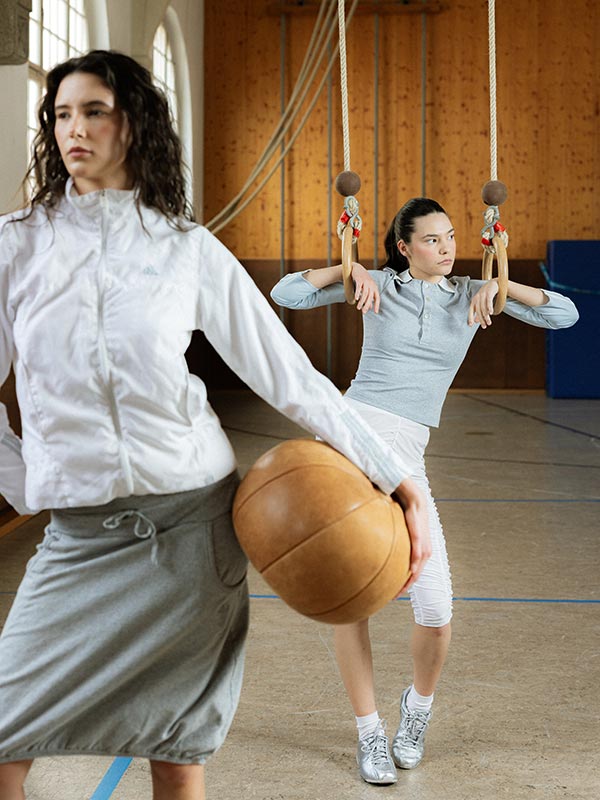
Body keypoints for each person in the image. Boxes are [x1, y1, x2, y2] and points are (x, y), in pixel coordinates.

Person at [0, 51, 431, 800]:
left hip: (191, 531)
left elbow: (290, 377)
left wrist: (396, 478)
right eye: (62, 114)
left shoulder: (185, 249)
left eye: (94, 111)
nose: (75, 129)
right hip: (78, 539)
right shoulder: (16, 245)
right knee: (6, 734)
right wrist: (30, 478)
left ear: (134, 125)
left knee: (177, 749)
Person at [270, 197, 579, 785]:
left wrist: (504, 288)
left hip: (407, 460)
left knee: (435, 610)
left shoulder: (470, 295)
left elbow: (565, 314)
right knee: (350, 596)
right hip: (351, 445)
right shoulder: (379, 286)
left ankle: (416, 710)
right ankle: (369, 731)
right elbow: (286, 293)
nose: (447, 247)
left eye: (451, 236)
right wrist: (347, 271)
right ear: (404, 246)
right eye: (432, 239)